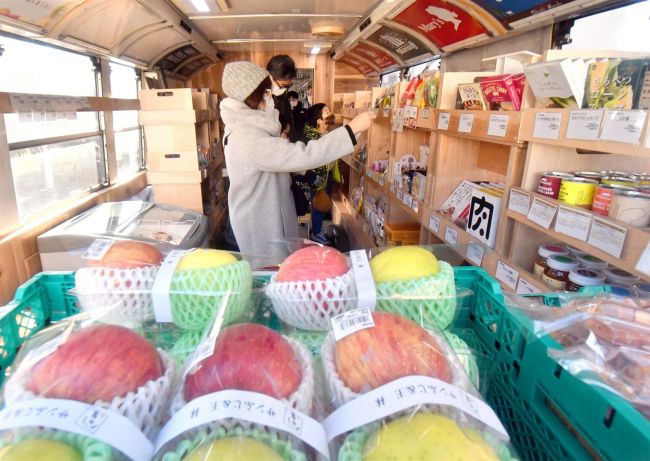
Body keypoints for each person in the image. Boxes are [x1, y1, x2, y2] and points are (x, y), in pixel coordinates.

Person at [219, 61, 375, 265]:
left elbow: (283, 160)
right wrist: (350, 130)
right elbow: (305, 155)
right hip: (261, 224)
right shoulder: (247, 137)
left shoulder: (247, 128)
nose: (270, 97)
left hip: (265, 215)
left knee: (279, 273)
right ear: (250, 95)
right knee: (272, 277)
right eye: (265, 92)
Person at [296, 103, 339, 244]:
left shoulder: (325, 133)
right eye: (326, 112)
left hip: (327, 174)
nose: (330, 113)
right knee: (318, 204)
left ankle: (318, 229)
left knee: (322, 203)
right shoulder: (313, 137)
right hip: (318, 177)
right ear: (319, 120)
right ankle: (316, 233)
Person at [266, 55, 296, 140]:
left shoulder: (282, 95)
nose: (285, 89)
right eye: (283, 85)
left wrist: (286, 131)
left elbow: (290, 120)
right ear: (270, 77)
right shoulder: (257, 96)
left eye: (288, 85)